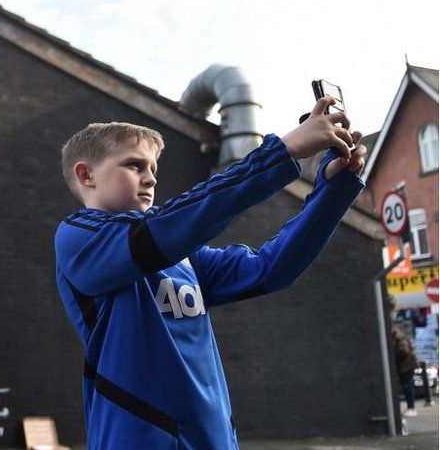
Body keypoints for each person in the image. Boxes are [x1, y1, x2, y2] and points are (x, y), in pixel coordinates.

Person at [54, 97, 366, 449]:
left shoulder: (181, 255)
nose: (150, 179)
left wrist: (333, 188)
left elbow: (270, 270)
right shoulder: (78, 239)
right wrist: (284, 151)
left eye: (153, 169)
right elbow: (171, 225)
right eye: (134, 166)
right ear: (86, 174)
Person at [392, 324, 418, 416]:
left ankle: (411, 408)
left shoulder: (400, 339)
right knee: (407, 386)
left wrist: (398, 357)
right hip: (406, 366)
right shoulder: (400, 338)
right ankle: (410, 407)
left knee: (407, 386)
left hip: (406, 366)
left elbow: (404, 351)